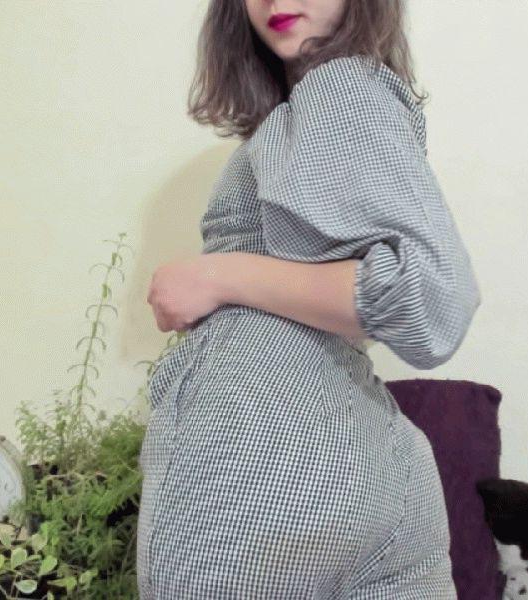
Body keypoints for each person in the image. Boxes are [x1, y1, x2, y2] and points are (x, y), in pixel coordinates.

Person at [138, 0, 481, 597]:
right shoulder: (323, 105)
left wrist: (216, 276)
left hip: (263, 466)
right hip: (367, 459)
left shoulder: (339, 86)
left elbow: (425, 296)